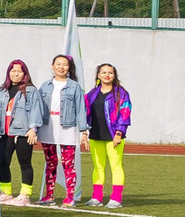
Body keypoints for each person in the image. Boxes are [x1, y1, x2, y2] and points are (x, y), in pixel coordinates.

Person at [36, 53, 84, 207]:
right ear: (52, 66)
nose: (61, 67)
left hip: (67, 126)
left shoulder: (74, 86)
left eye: (64, 64)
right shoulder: (45, 85)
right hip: (47, 125)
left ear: (69, 68)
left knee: (68, 163)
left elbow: (80, 109)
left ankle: (70, 196)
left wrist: (83, 130)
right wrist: (34, 127)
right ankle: (49, 195)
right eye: (58, 64)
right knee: (50, 162)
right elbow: (37, 107)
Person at [85, 63, 131, 207]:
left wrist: (119, 133)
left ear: (114, 75)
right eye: (103, 72)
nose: (107, 75)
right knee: (98, 166)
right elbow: (85, 113)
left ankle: (116, 198)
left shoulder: (121, 93)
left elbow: (125, 114)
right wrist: (84, 132)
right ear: (98, 75)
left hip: (113, 135)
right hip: (95, 134)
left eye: (110, 72)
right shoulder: (92, 94)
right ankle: (97, 197)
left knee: (115, 166)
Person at [0, 59, 41, 206]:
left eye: (19, 71)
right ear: (8, 73)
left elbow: (36, 109)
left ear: (24, 73)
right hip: (4, 133)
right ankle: (6, 192)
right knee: (2, 162)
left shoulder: (31, 90)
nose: (16, 74)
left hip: (23, 133)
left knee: (25, 162)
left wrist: (33, 129)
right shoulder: (1, 90)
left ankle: (25, 194)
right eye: (13, 71)